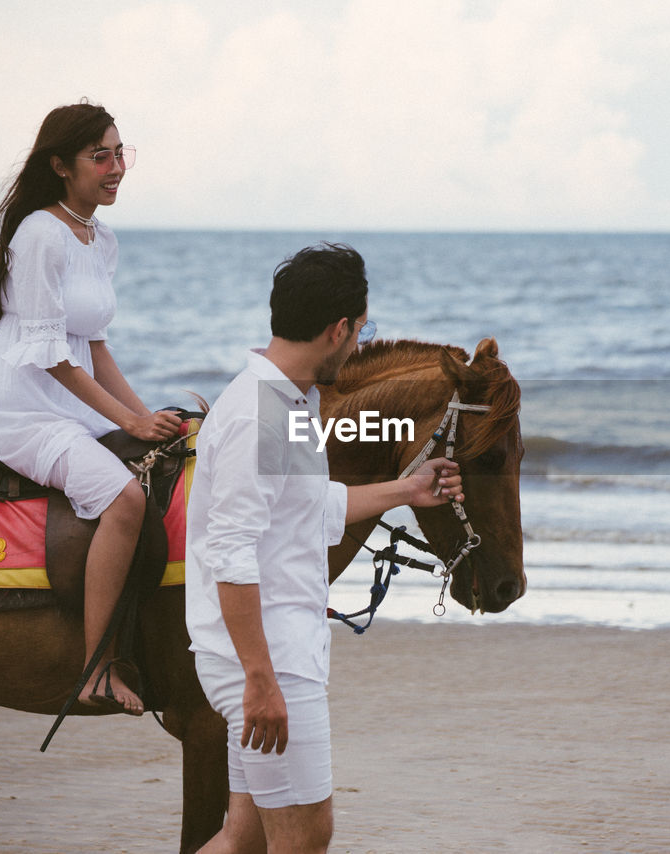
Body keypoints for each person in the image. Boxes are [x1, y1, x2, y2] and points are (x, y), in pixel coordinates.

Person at [186, 243, 463, 853]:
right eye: (361, 332)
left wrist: (408, 490)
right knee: (306, 838)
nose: (361, 345)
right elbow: (230, 557)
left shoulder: (292, 402)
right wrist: (259, 678)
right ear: (338, 329)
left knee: (243, 838)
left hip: (273, 650)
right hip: (267, 660)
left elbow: (311, 507)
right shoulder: (259, 416)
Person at [0, 101, 182, 715]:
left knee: (170, 460)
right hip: (25, 406)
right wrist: (129, 423)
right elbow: (50, 357)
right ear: (61, 166)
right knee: (125, 499)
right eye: (101, 156)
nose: (116, 168)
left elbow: (94, 350)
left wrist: (151, 422)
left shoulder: (100, 238)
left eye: (122, 153)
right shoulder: (41, 233)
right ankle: (96, 668)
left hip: (72, 401)